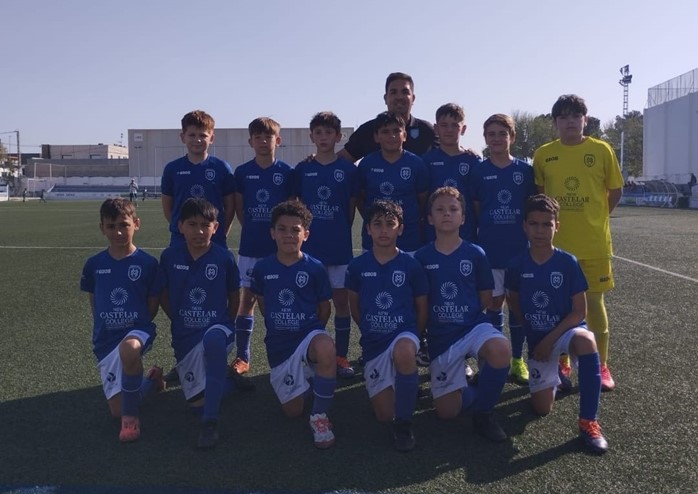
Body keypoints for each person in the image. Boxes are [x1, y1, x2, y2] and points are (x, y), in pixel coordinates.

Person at [533, 95, 623, 391]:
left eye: (575, 116)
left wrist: (595, 218)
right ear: (555, 122)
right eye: (563, 117)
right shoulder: (544, 154)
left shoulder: (602, 150)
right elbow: (541, 198)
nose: (570, 122)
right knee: (558, 307)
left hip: (594, 244)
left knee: (594, 305)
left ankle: (601, 365)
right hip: (556, 247)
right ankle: (563, 362)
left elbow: (614, 192)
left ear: (585, 119)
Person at [505, 194, 608, 454]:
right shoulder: (516, 264)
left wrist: (549, 340)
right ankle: (557, 376)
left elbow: (579, 312)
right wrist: (533, 337)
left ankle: (589, 422)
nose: (540, 230)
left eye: (547, 224)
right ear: (524, 226)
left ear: (557, 226)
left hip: (565, 332)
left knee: (587, 340)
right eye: (534, 224)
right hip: (539, 341)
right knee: (541, 409)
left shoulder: (568, 262)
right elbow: (513, 302)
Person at [415, 186, 511, 442]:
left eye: (453, 209)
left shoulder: (475, 253)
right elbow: (420, 301)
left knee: (501, 349)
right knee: (447, 413)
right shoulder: (422, 257)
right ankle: (472, 387)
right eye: (440, 209)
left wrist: (465, 314)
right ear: (430, 218)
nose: (447, 214)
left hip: (472, 327)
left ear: (463, 218)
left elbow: (485, 295)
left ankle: (484, 414)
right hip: (441, 337)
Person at [251, 201, 337, 449]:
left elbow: (324, 308)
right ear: (272, 233)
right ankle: (310, 374)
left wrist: (314, 333)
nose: (289, 235)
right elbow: (263, 304)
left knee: (325, 347)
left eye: (295, 230)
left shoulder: (315, 267)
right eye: (282, 229)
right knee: (293, 411)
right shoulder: (263, 268)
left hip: (308, 334)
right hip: (279, 345)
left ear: (305, 234)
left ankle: (320, 416)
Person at [345, 200, 429, 452]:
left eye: (390, 224)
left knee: (404, 351)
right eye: (377, 224)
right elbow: (354, 307)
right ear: (368, 229)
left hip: (403, 334)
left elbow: (421, 307)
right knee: (383, 415)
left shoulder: (411, 265)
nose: (383, 230)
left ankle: (404, 424)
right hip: (374, 342)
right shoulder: (357, 266)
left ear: (400, 228)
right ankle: (405, 386)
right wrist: (369, 328)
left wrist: (414, 336)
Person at [159, 198, 241, 449]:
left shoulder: (224, 257)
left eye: (205, 225)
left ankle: (210, 424)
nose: (199, 231)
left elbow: (234, 296)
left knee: (213, 342)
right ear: (180, 226)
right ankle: (227, 381)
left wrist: (227, 324)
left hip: (217, 328)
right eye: (192, 224)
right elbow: (163, 294)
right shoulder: (169, 256)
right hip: (185, 335)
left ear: (215, 227)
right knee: (196, 404)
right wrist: (178, 318)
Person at [80, 198, 164, 442]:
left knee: (129, 350)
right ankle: (152, 380)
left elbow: (152, 304)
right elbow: (95, 300)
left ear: (136, 224)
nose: (118, 232)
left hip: (137, 332)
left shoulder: (147, 263)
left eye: (124, 225)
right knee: (116, 410)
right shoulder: (94, 264)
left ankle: (131, 419)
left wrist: (138, 327)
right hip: (106, 339)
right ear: (102, 228)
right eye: (111, 226)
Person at [471, 114, 536, 385]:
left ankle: (518, 359)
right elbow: (477, 208)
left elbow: (531, 209)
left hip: (519, 251)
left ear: (512, 137)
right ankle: (493, 361)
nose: (497, 139)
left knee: (518, 307)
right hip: (490, 251)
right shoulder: (479, 171)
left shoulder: (525, 171)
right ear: (485, 138)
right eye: (491, 134)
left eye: (502, 133)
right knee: (493, 305)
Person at [294, 111, 358, 379]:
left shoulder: (348, 170)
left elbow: (351, 209)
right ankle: (311, 355)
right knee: (311, 304)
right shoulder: (303, 169)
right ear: (312, 136)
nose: (323, 137)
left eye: (329, 132)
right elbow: (295, 207)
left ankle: (340, 356)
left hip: (339, 248)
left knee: (341, 302)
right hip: (310, 251)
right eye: (318, 132)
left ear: (338, 136)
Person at [419, 103, 482, 369]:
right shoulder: (426, 161)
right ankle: (430, 345)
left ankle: (463, 352)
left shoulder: (472, 160)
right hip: (433, 240)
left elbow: (476, 202)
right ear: (436, 128)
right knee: (433, 295)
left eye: (454, 125)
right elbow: (423, 199)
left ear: (463, 129)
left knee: (462, 296)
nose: (448, 130)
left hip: (464, 239)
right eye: (443, 125)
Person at [233, 117, 295, 377]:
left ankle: (283, 351)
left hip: (278, 251)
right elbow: (239, 209)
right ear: (250, 142)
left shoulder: (287, 173)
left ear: (277, 141)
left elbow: (290, 211)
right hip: (251, 247)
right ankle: (242, 356)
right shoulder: (242, 172)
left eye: (268, 137)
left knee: (277, 303)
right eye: (257, 137)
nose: (262, 141)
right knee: (246, 301)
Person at [356, 112, 429, 255]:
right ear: (376, 137)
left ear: (405, 135)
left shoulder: (417, 164)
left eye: (396, 131)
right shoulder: (367, 164)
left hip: (409, 240)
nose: (392, 136)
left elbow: (423, 199)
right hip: (373, 241)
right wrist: (376, 220)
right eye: (385, 132)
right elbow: (360, 198)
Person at [160, 110, 236, 248]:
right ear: (183, 137)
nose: (197, 140)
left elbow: (230, 207)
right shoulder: (172, 169)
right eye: (192, 135)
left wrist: (221, 232)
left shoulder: (222, 168)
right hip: (180, 238)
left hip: (214, 238)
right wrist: (184, 228)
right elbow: (167, 207)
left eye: (203, 135)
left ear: (211, 138)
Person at [338, 72, 436, 163]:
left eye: (405, 92)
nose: (399, 97)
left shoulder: (427, 131)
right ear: (385, 98)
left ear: (413, 98)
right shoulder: (367, 130)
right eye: (393, 92)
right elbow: (340, 161)